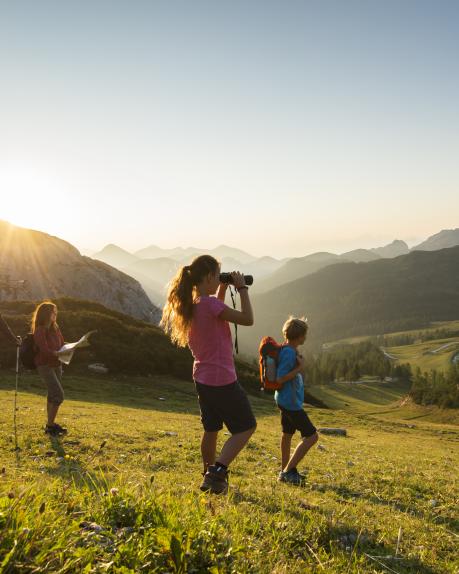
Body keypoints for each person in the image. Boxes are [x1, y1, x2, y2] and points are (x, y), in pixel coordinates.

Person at [161, 254, 256, 494]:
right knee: (246, 426)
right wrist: (242, 289)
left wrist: (222, 287)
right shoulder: (211, 305)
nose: (219, 278)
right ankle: (218, 471)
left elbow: (215, 310)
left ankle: (206, 474)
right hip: (222, 378)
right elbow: (248, 319)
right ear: (208, 276)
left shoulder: (193, 305)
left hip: (202, 378)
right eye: (218, 274)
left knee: (211, 428)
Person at [275, 316, 318, 485]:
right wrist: (300, 368)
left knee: (287, 434)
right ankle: (288, 471)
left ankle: (284, 469)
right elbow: (280, 378)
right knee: (312, 436)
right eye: (304, 334)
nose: (305, 337)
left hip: (284, 399)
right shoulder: (288, 353)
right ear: (300, 336)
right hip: (290, 402)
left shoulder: (286, 349)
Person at [32, 301, 67, 436]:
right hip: (45, 365)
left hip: (57, 364)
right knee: (58, 395)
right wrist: (56, 353)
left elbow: (62, 344)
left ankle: (50, 425)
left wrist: (73, 346)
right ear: (47, 314)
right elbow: (44, 349)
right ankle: (50, 425)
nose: (56, 315)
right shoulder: (40, 329)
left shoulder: (55, 328)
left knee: (52, 394)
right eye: (54, 312)